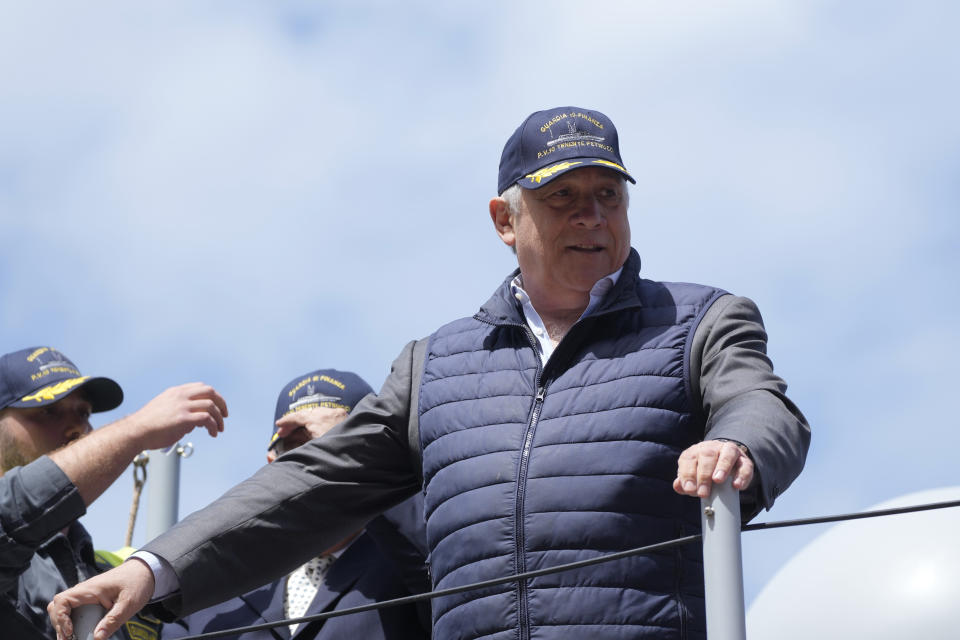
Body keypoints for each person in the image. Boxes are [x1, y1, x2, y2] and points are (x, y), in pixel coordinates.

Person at [50, 107, 811, 640]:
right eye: (564, 199)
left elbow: (763, 406)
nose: (593, 218)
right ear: (504, 221)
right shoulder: (434, 366)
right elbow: (308, 487)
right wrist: (154, 569)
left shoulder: (700, 319)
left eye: (608, 196)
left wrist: (736, 446)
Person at [160, 368, 429, 640]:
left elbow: (459, 593)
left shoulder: (414, 553)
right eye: (298, 449)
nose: (317, 463)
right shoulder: (213, 583)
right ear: (272, 463)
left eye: (336, 445)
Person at [0, 346, 227, 640]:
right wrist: (137, 429)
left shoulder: (116, 572)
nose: (76, 428)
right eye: (48, 410)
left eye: (83, 412)